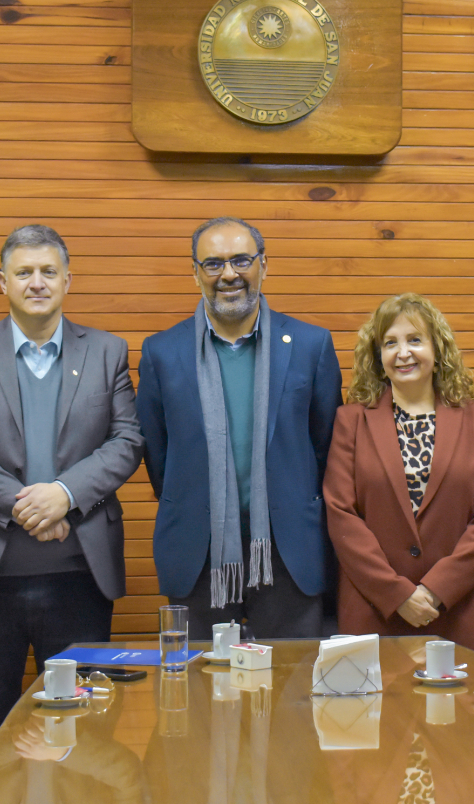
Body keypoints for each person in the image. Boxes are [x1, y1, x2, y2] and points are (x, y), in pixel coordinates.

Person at [0, 225, 144, 794]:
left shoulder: (106, 351)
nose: (37, 282)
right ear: (3, 283)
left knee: (84, 731)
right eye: (24, 272)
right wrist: (26, 503)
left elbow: (127, 441)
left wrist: (64, 494)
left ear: (68, 280)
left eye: (49, 271)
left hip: (78, 578)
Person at [137, 217, 342, 640]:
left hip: (289, 551)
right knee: (200, 680)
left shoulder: (311, 345)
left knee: (292, 679)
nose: (228, 274)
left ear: (263, 265)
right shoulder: (161, 352)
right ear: (195, 272)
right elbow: (158, 454)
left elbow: (327, 447)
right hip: (198, 551)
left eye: (241, 260)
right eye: (213, 264)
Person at [323, 293, 474, 654]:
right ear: (378, 356)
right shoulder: (351, 421)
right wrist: (397, 594)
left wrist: (438, 589)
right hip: (374, 609)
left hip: (457, 607)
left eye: (415, 340)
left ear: (437, 349)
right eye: (390, 343)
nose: (403, 353)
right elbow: (341, 514)